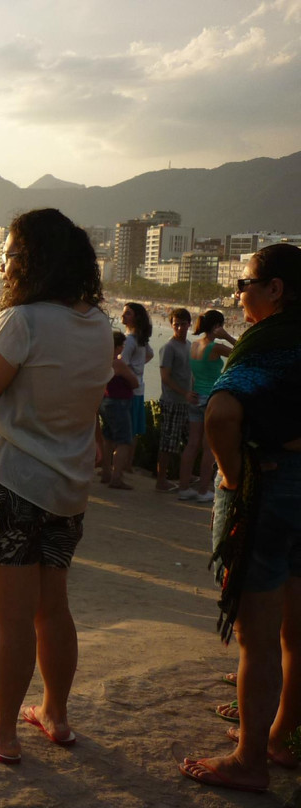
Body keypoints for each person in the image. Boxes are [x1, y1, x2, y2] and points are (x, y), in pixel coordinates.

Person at [0, 208, 111, 764]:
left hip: (7, 480)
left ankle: (4, 733)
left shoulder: (23, 321)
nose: (6, 263)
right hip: (68, 487)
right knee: (52, 609)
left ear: (32, 259)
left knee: (8, 620)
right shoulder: (97, 324)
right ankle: (56, 716)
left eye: (11, 253)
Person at [180, 243, 301, 793]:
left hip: (270, 490)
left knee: (256, 634)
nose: (238, 294)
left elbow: (222, 414)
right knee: (295, 631)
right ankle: (280, 734)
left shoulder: (269, 339)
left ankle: (251, 759)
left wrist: (231, 476)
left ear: (275, 289)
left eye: (246, 283)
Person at [176, 309, 236, 501]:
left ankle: (184, 487)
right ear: (217, 326)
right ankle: (203, 490)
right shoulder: (215, 347)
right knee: (208, 447)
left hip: (195, 396)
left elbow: (194, 374)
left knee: (192, 444)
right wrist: (226, 336)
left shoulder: (194, 345)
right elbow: (242, 351)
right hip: (211, 398)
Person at [155, 308, 197, 494]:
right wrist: (184, 393)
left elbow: (191, 374)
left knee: (190, 441)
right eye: (176, 324)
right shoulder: (169, 348)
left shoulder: (189, 345)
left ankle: (185, 476)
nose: (179, 327)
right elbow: (165, 377)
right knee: (168, 443)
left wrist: (194, 392)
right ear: (171, 325)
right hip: (172, 401)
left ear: (189, 324)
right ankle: (161, 479)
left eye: (183, 324)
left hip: (187, 403)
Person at [99, 330, 139, 488]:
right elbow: (134, 382)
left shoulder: (102, 361)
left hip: (106, 401)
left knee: (108, 439)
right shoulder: (118, 363)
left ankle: (106, 472)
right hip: (119, 403)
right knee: (124, 441)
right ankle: (116, 477)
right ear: (117, 347)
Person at [120, 302, 154, 471]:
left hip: (130, 390)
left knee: (125, 430)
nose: (123, 316)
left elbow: (122, 364)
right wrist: (138, 369)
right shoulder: (140, 339)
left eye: (128, 313)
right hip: (139, 388)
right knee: (134, 431)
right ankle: (128, 464)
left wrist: (131, 372)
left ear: (136, 318)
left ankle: (120, 465)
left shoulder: (129, 340)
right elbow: (150, 354)